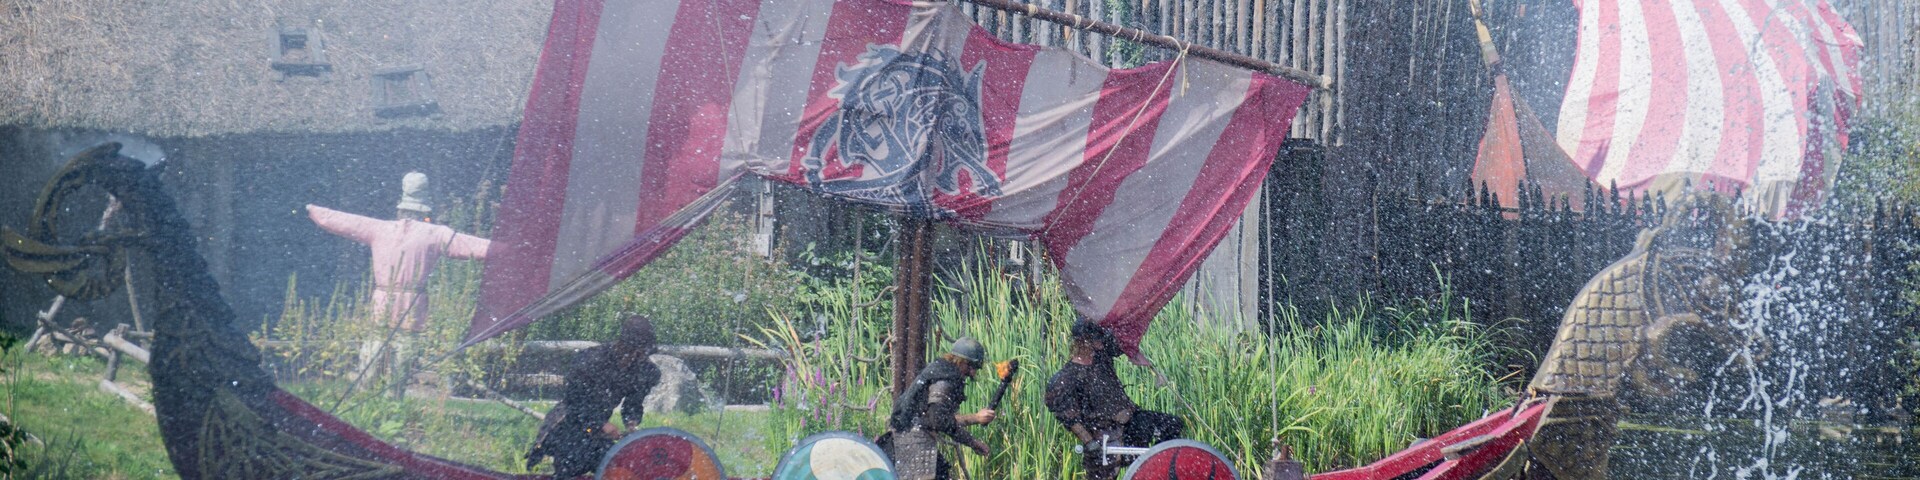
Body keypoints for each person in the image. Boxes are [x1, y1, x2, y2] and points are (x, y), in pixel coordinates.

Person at [305, 172, 490, 395]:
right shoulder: (436, 234)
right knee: (400, 364)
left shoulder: (381, 228)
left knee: (372, 360)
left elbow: (342, 221)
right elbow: (475, 246)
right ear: (426, 207)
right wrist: (510, 249)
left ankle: (368, 402)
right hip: (411, 305)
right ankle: (391, 402)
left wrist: (313, 210)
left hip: (385, 301)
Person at [1046, 320, 1185, 480]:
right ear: (1084, 341)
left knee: (1172, 424)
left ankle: (1160, 472)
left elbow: (1122, 342)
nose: (1101, 341)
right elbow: (1066, 415)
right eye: (1096, 338)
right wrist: (1089, 441)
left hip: (1132, 424)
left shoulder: (1101, 358)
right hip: (1103, 434)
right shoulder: (1068, 377)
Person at [527, 315, 663, 478]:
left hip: (595, 432)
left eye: (642, 353)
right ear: (623, 345)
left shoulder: (641, 369)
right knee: (569, 468)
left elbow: (634, 401)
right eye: (635, 352)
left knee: (612, 463)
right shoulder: (592, 360)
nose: (638, 357)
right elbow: (575, 400)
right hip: (569, 424)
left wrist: (631, 424)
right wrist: (600, 423)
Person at [881, 337, 997, 480]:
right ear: (961, 362)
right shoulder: (945, 379)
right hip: (914, 442)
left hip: (903, 439)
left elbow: (937, 417)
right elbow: (938, 420)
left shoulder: (939, 371)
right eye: (971, 367)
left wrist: (976, 419)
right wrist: (972, 441)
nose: (972, 373)